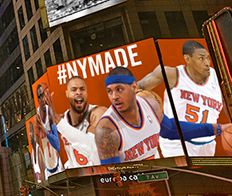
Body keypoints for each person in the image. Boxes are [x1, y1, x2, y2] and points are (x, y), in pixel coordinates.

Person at [95, 66, 224, 163]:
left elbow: (172, 130)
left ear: (134, 87)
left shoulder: (150, 103)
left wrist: (215, 129)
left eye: (119, 89)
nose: (114, 97)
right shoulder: (106, 130)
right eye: (109, 92)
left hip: (159, 177)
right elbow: (114, 177)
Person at [138, 40, 223, 157]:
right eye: (201, 58)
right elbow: (137, 87)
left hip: (208, 143)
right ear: (187, 59)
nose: (207, 62)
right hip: (177, 142)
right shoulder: (172, 74)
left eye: (208, 58)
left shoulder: (215, 76)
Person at [48, 76, 105, 167]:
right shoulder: (62, 119)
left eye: (82, 89)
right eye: (74, 90)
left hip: (101, 175)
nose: (79, 92)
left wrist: (59, 123)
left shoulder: (98, 113)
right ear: (67, 94)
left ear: (86, 92)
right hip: (77, 178)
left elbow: (92, 148)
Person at [36, 83, 63, 176]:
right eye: (40, 96)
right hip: (47, 169)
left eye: (44, 94)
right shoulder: (37, 115)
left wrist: (46, 132)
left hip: (58, 166)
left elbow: (57, 145)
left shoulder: (50, 113)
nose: (43, 99)